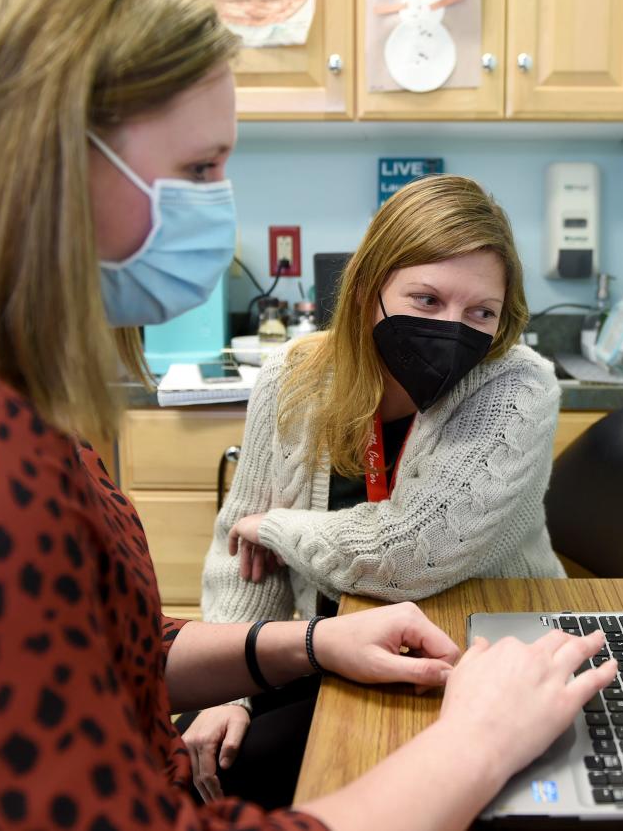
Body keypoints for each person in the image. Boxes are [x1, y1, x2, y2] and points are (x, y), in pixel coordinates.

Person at [0, 0, 616, 829]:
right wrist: (478, 741)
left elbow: (102, 653)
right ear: (44, 158)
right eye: (201, 170)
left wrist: (309, 642)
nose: (218, 209)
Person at [183, 174, 568, 804]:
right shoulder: (292, 376)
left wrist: (279, 527)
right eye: (426, 299)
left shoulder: (517, 388)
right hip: (331, 641)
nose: (453, 327)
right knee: (201, 755)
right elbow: (240, 559)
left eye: (481, 312)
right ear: (369, 292)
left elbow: (413, 552)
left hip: (477, 649)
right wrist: (228, 691)